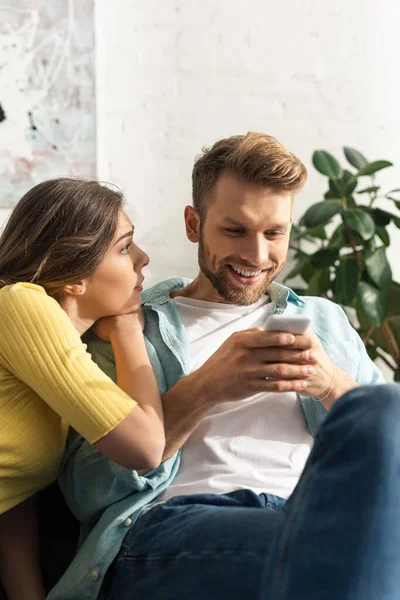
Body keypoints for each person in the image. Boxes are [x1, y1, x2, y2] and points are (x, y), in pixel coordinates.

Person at [50, 134, 398, 600]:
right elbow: (87, 491)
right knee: (328, 552)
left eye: (274, 233)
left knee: (384, 409)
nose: (256, 256)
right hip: (176, 527)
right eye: (235, 231)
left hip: (314, 514)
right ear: (194, 224)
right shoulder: (128, 328)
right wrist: (208, 386)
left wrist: (331, 384)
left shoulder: (325, 321)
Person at [0, 178, 165, 600]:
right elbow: (146, 448)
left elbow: (12, 490)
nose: (143, 258)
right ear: (74, 277)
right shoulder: (21, 303)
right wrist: (128, 330)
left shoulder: (55, 352)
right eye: (125, 248)